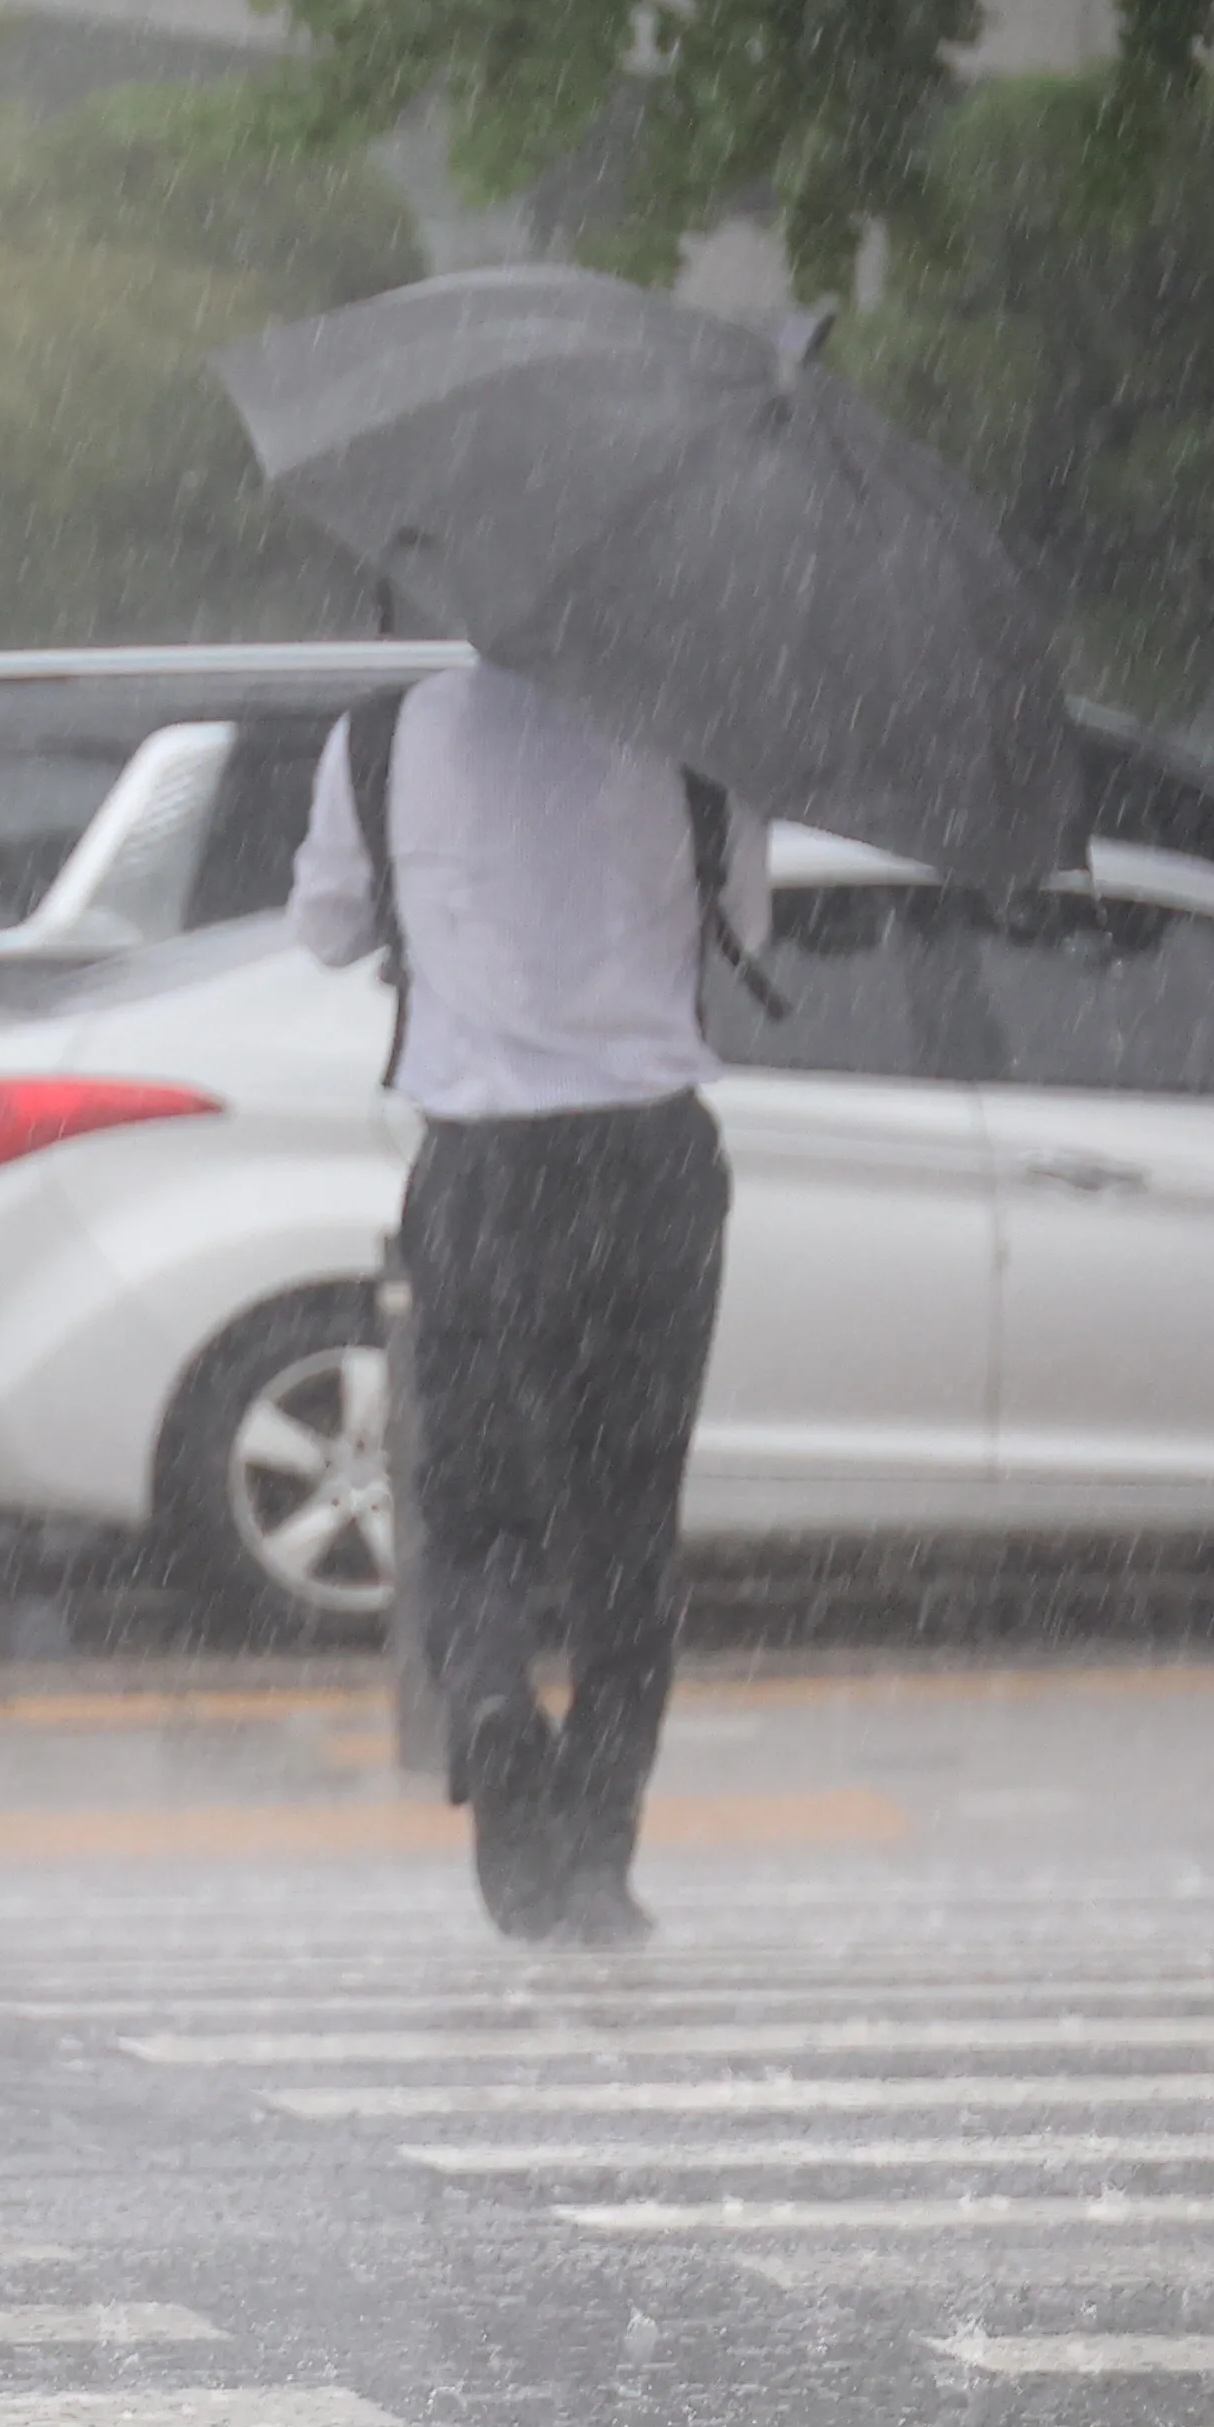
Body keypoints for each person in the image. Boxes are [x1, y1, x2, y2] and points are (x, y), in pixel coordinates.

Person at [289, 656, 763, 1947]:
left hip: (484, 1167)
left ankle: (494, 1706)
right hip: (649, 1163)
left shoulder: (383, 737)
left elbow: (324, 925)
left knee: (472, 1499)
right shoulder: (691, 728)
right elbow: (747, 926)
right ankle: (597, 1852)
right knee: (626, 1517)